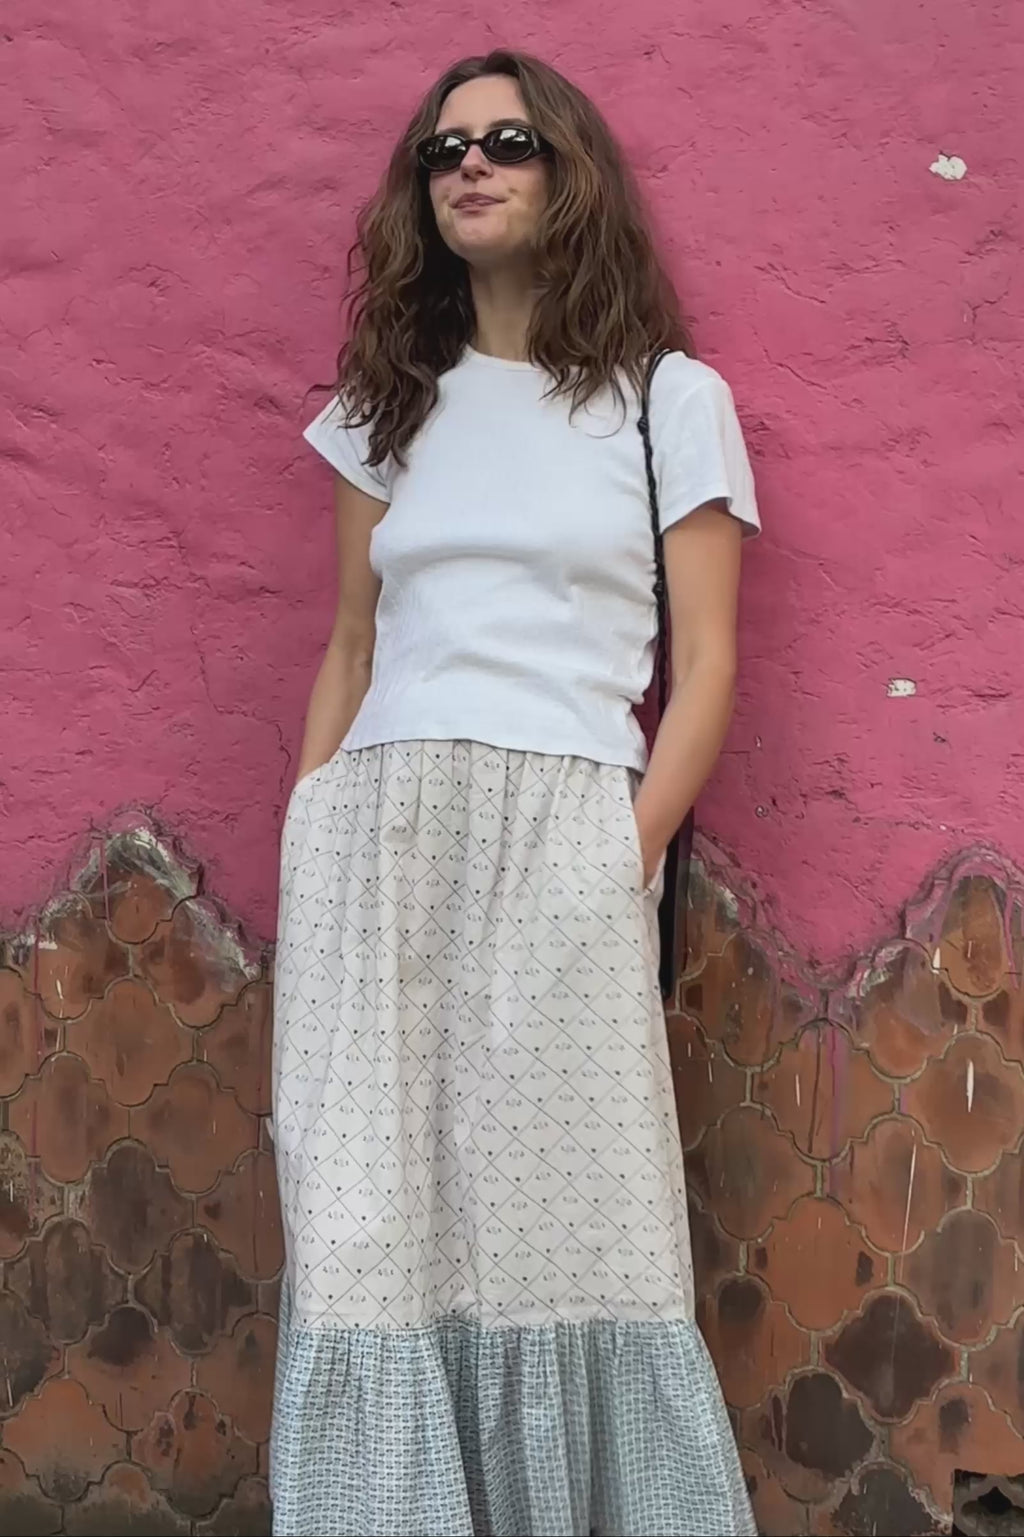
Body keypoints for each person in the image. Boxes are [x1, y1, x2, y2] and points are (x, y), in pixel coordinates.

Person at [271, 47, 760, 1537]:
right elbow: (350, 645)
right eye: (443, 151)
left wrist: (620, 859)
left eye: (509, 141)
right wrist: (309, 832)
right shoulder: (387, 406)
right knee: (366, 1225)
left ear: (572, 174)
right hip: (376, 838)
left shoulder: (666, 401)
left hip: (566, 830)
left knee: (570, 1225)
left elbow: (709, 663)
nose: (471, 165)